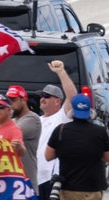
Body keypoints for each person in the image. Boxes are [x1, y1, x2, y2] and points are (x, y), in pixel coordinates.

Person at [46, 94, 109, 200]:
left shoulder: (61, 130)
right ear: (90, 111)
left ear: (72, 111)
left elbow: (48, 156)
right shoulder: (100, 132)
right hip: (92, 190)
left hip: (68, 189)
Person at [0, 85, 41, 184]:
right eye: (8, 100)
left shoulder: (32, 119)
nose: (11, 104)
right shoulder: (12, 120)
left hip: (26, 180)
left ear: (23, 100)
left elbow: (2, 133)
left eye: (13, 100)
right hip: (9, 178)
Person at [35, 61, 78, 200]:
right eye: (41, 96)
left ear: (57, 101)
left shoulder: (62, 116)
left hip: (52, 178)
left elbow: (72, 97)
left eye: (47, 96)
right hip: (34, 178)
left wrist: (61, 72)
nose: (42, 99)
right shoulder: (37, 120)